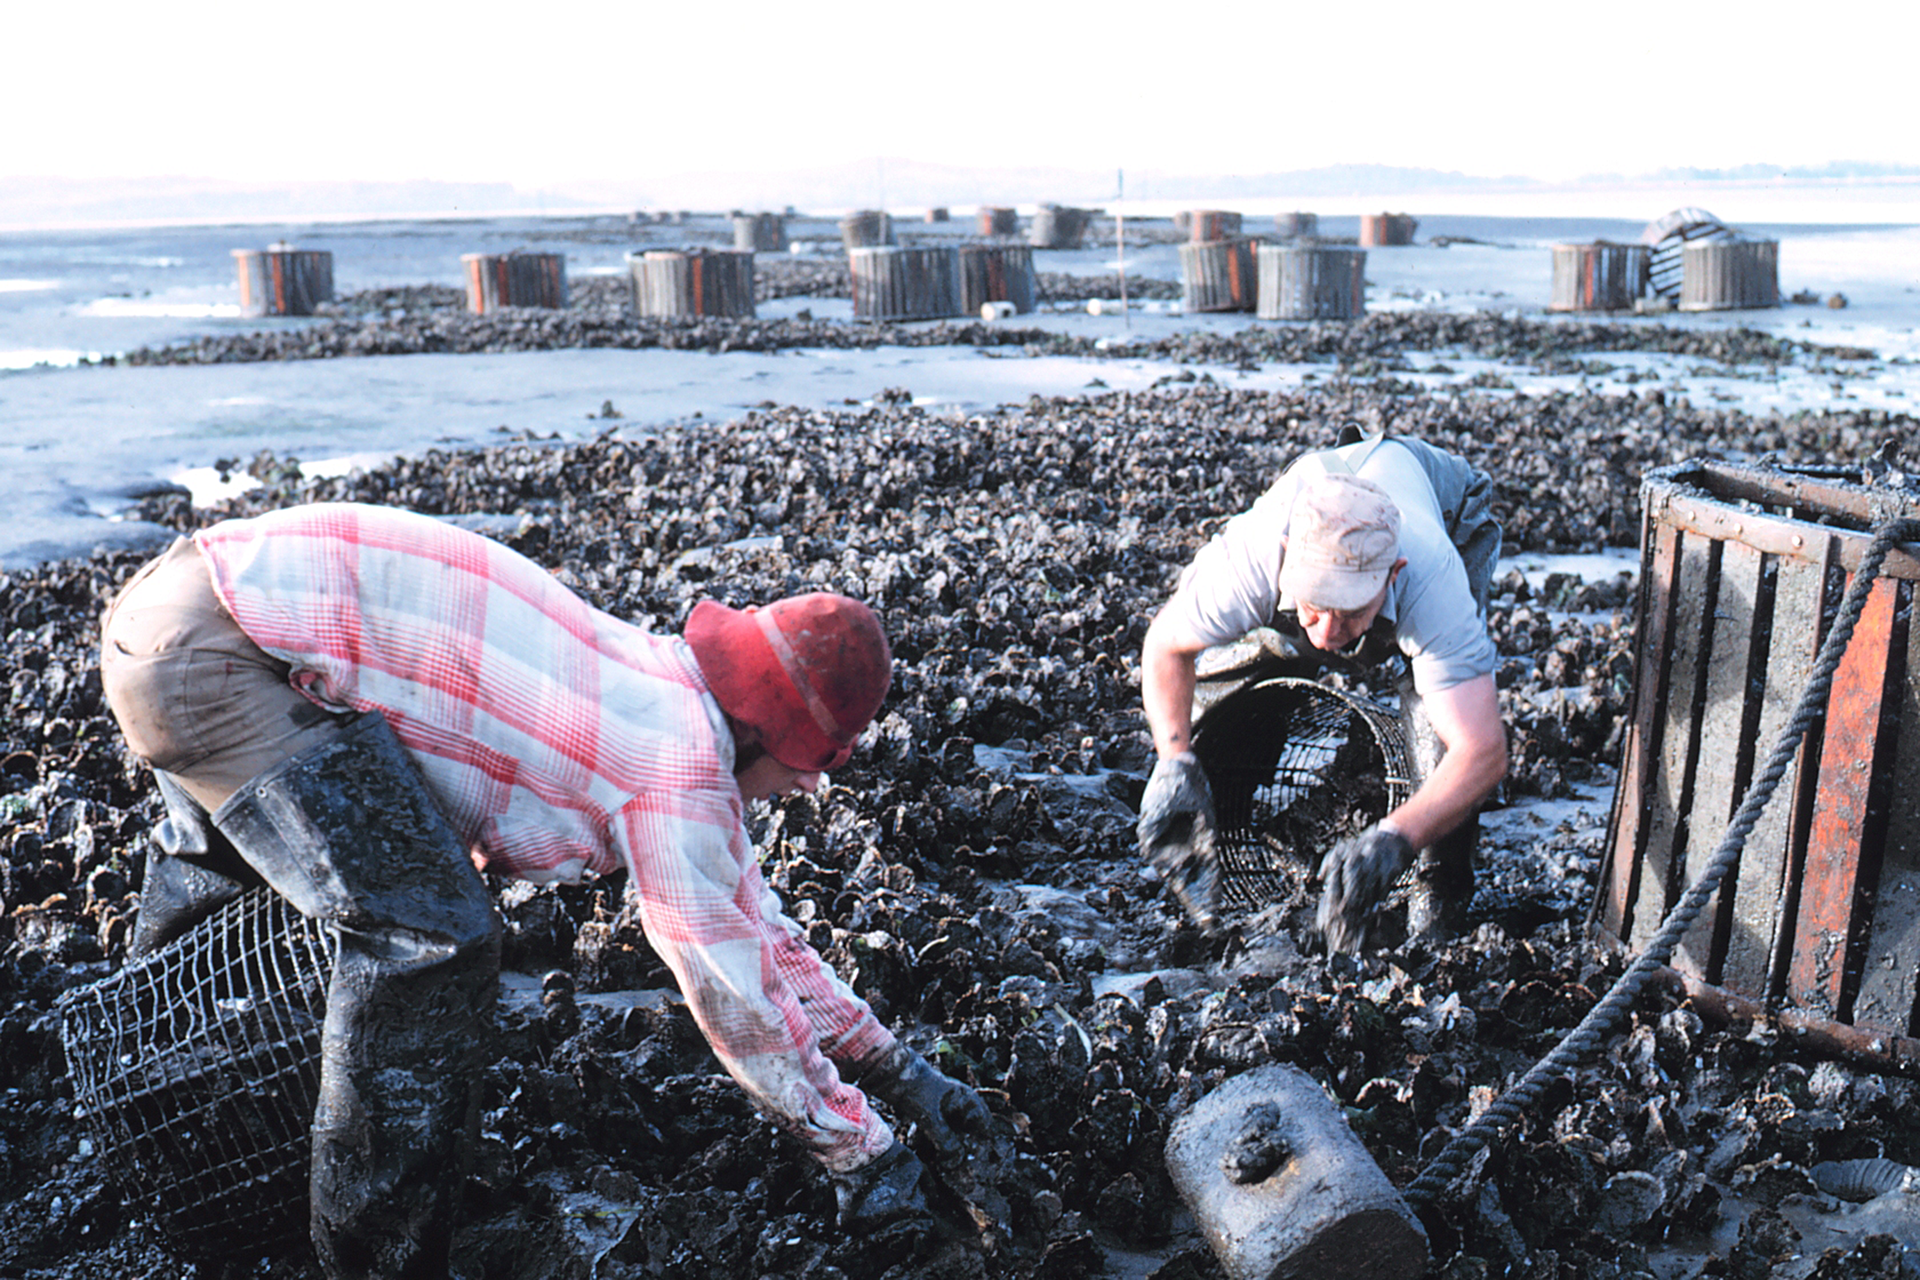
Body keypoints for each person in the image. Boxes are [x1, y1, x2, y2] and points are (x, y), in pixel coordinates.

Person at [98, 501, 990, 1278]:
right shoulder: (676, 770)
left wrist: (898, 1071)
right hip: (222, 658)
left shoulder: (658, 681)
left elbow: (754, 927)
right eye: (807, 760)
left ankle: (135, 1100)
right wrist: (862, 1156)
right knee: (432, 940)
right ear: (763, 730)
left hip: (187, 600)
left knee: (232, 887)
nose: (806, 785)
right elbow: (734, 992)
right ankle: (375, 1262)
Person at [1136, 432, 1508, 951]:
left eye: (1350, 610)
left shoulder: (1429, 578)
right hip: (1312, 529)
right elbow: (1165, 648)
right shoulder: (1251, 559)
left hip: (1448, 510)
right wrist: (1174, 761)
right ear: (1289, 559)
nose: (1329, 636)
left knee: (1438, 732)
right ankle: (1209, 856)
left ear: (1393, 575)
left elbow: (1483, 750)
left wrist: (1394, 838)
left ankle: (1436, 910)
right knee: (1242, 668)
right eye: (1315, 607)